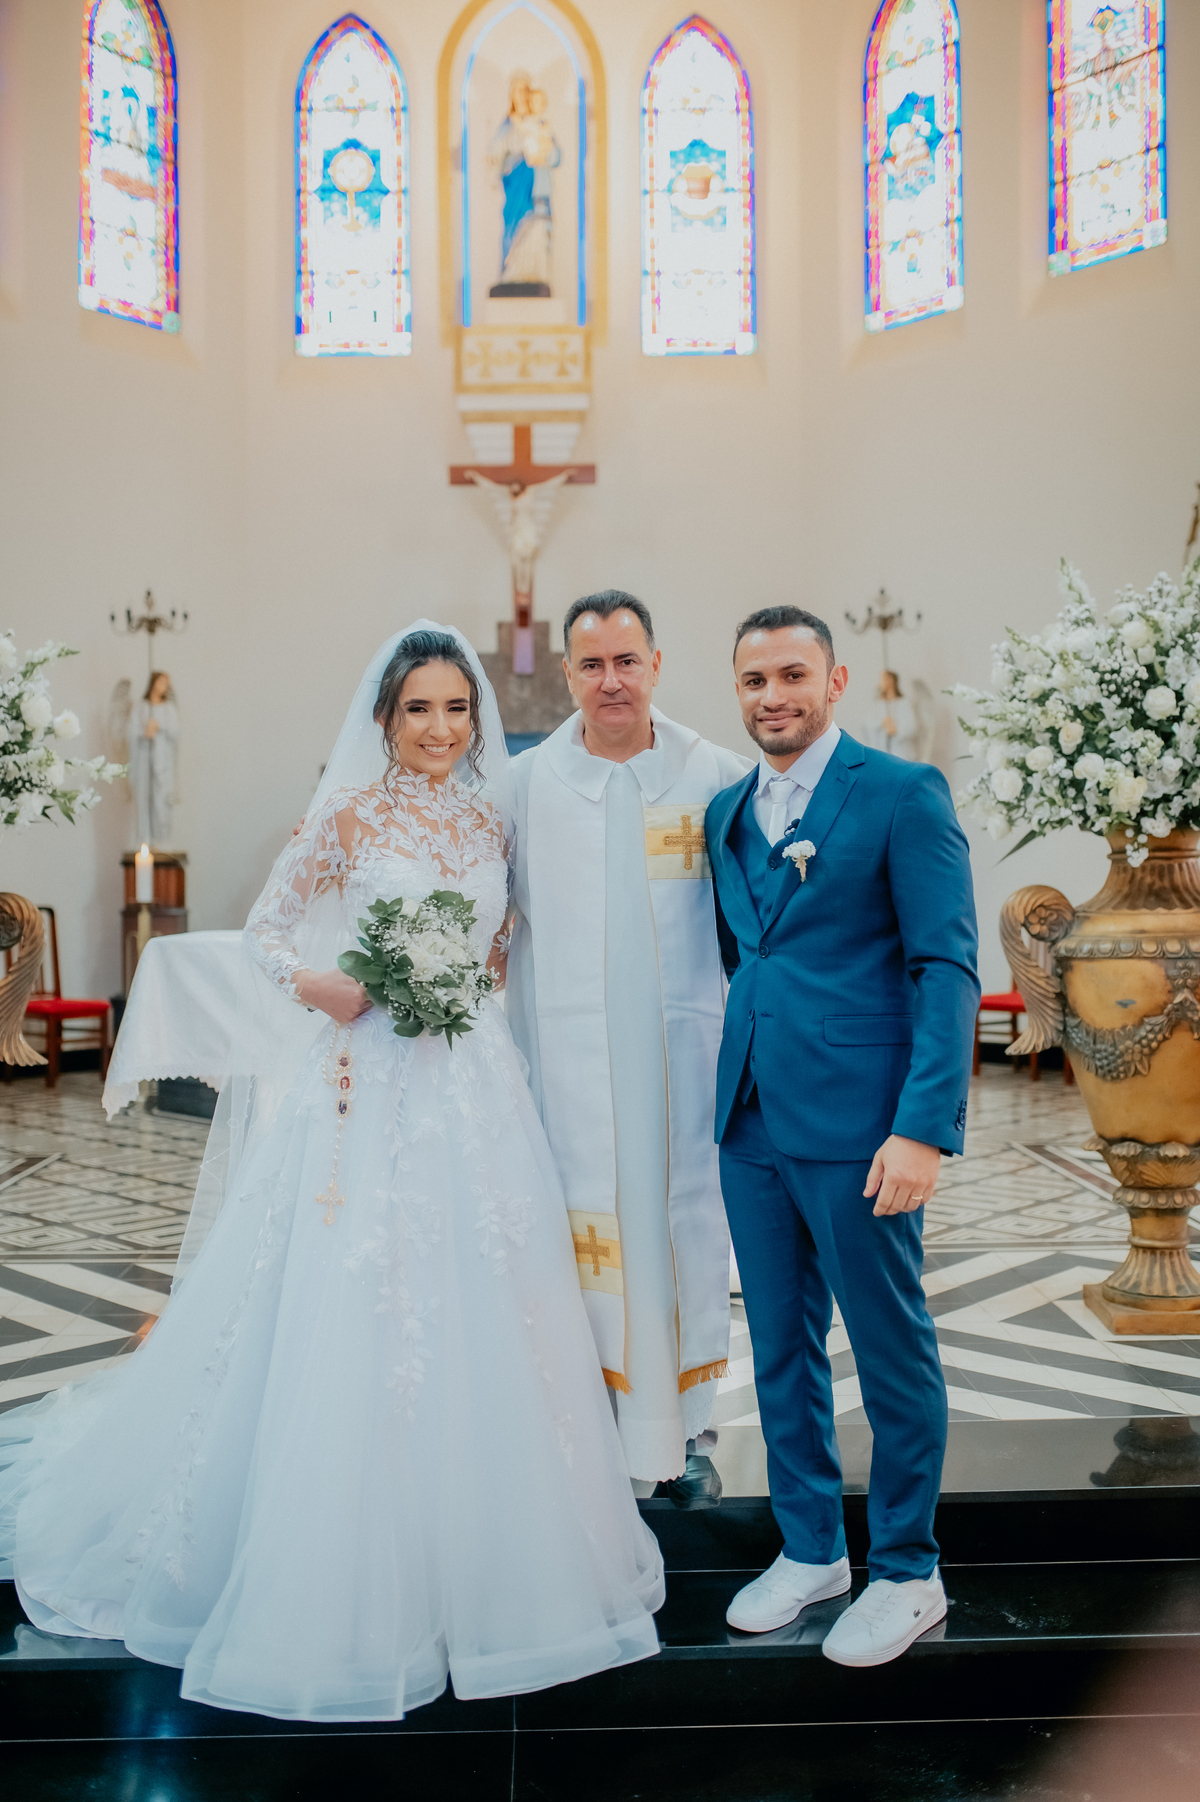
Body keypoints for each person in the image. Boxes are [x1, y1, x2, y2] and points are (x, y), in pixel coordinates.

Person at [0, 624, 663, 1721]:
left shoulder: (492, 817)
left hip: (473, 1086)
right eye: (420, 709)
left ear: (478, 719)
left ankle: (496, 1551)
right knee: (353, 1292)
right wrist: (324, 985)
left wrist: (466, 982)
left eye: (458, 708)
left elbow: (503, 943)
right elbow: (266, 931)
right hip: (367, 1082)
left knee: (492, 1293)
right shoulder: (349, 816)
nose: (441, 728)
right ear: (385, 720)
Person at [706, 605, 978, 1668]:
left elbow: (945, 966)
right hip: (751, 1118)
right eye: (754, 680)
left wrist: (922, 1129)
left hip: (866, 1126)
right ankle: (813, 1546)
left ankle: (908, 1569)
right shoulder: (727, 810)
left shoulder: (903, 793)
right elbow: (751, 956)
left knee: (888, 1344)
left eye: (792, 674)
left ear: (835, 679)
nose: (773, 695)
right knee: (778, 1343)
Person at [506, 591, 751, 1503]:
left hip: (684, 1063)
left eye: (626, 661)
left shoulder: (717, 775)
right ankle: (589, 1424)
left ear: (656, 664)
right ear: (566, 673)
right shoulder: (522, 786)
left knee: (679, 1228)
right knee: (585, 1234)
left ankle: (682, 1426)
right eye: (592, 664)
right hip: (568, 1069)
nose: (611, 681)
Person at [132, 669, 179, 846]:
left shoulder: (169, 709)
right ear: (153, 683)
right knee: (144, 797)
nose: (165, 687)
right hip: (145, 760)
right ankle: (145, 838)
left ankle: (161, 840)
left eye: (167, 684)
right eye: (162, 682)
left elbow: (175, 733)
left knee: (161, 799)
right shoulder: (141, 708)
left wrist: (159, 727)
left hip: (162, 762)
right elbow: (131, 731)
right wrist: (145, 732)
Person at [867, 669, 918, 760]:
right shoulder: (878, 704)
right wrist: (882, 723)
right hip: (882, 753)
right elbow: (868, 724)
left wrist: (896, 730)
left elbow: (911, 727)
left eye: (883, 680)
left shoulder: (903, 704)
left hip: (900, 753)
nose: (880, 684)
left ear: (890, 681)